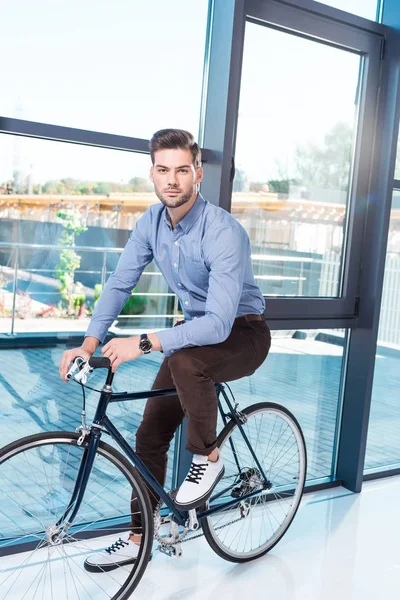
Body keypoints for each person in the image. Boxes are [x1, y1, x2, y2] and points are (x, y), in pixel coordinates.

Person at [59, 128, 271, 572]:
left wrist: (143, 342)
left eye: (181, 170)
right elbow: (120, 284)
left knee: (188, 359)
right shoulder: (150, 223)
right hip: (195, 335)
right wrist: (89, 342)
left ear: (197, 173)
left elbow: (216, 323)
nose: (171, 180)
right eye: (162, 170)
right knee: (149, 436)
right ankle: (142, 535)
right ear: (152, 174)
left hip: (244, 332)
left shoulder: (222, 231)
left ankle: (207, 456)